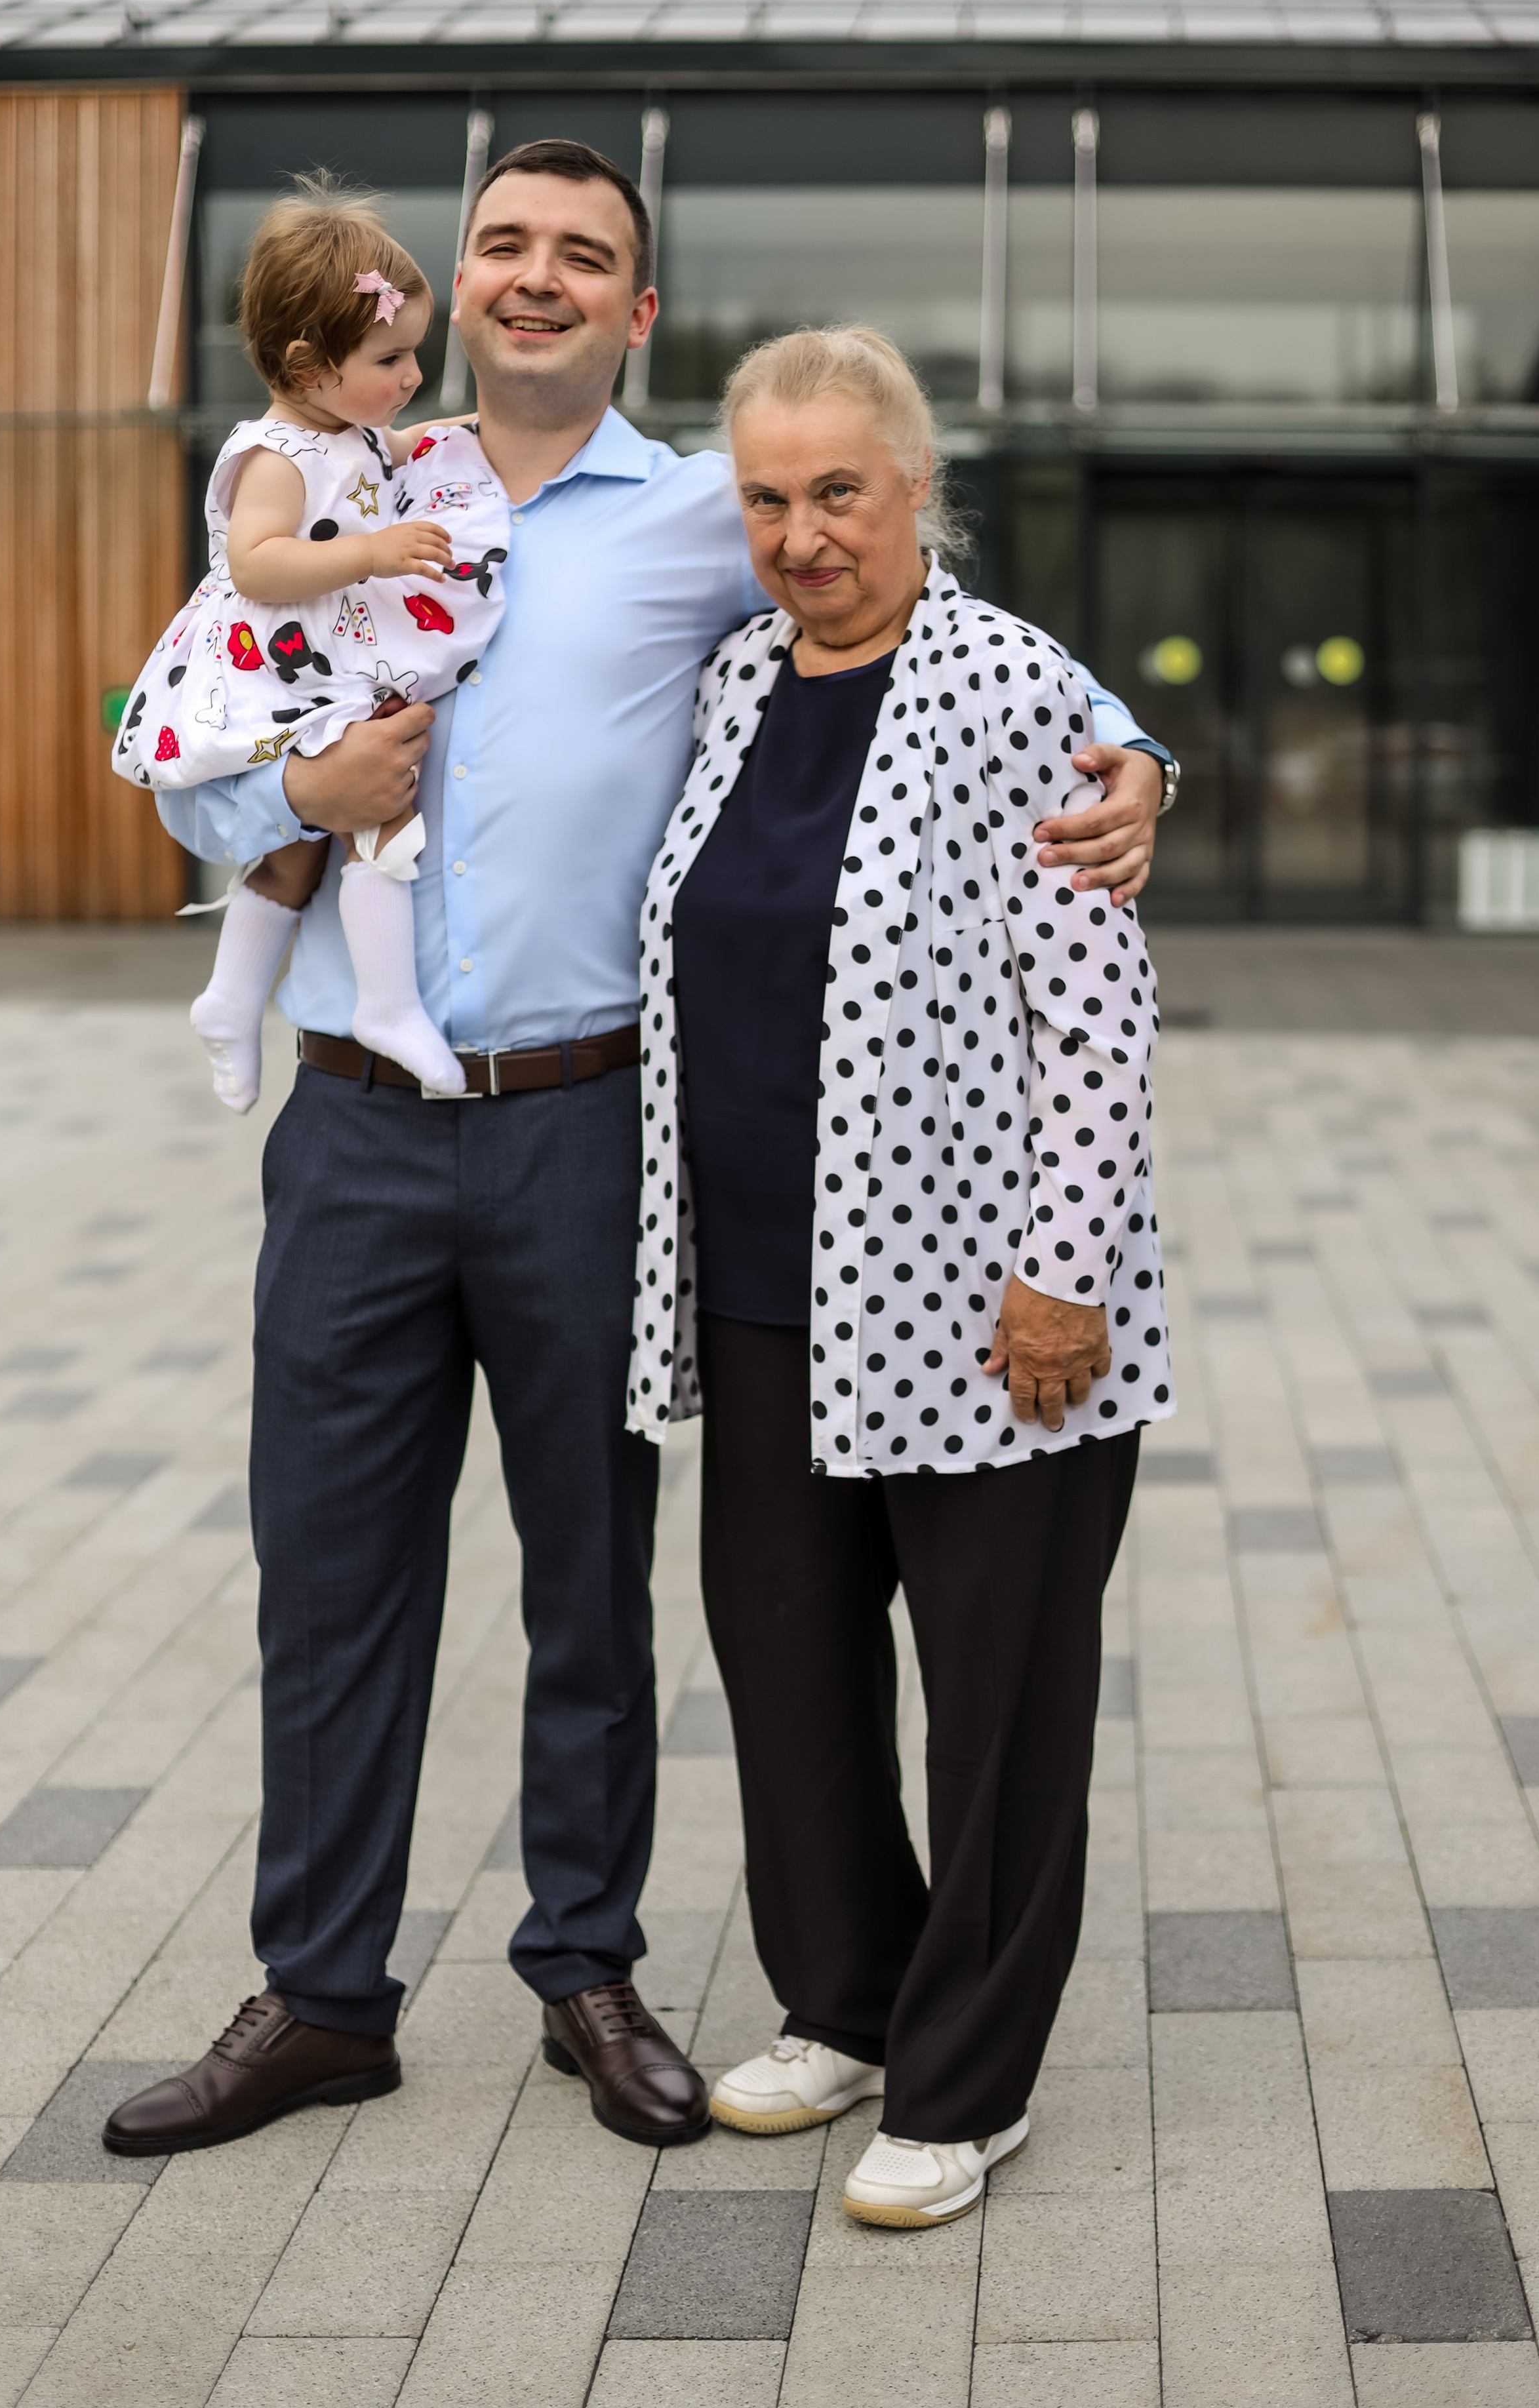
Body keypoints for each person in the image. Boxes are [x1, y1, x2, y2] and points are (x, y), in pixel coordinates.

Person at [102, 145, 1172, 2166]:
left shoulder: (705, 516)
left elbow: (942, 624)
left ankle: (584, 1967)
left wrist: (1140, 752)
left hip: (589, 1131)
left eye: (583, 255)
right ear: (454, 285)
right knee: (325, 1580)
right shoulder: (334, 484)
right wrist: (293, 802)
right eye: (504, 243)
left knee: (595, 1587)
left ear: (635, 310)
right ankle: (320, 1995)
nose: (537, 277)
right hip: (352, 1124)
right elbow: (191, 724)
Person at [628, 326, 1172, 2226]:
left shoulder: (1015, 690)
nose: (803, 536)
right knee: (786, 1671)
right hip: (766, 1294)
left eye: (839, 491)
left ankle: (966, 2086)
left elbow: (1098, 1024)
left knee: (998, 1707)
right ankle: (846, 2005)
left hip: (988, 1308)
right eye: (768, 499)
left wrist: (1062, 1274)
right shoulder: (729, 684)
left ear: (919, 490)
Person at [114, 180, 510, 1111]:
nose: (411, 375)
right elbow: (256, 564)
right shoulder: (277, 455)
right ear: (306, 365)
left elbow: (384, 457)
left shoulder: (349, 432)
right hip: (278, 666)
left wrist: (446, 437)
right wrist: (372, 552)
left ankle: (230, 998)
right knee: (378, 817)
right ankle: (385, 1005)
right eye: (390, 357)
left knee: (303, 847)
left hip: (323, 656)